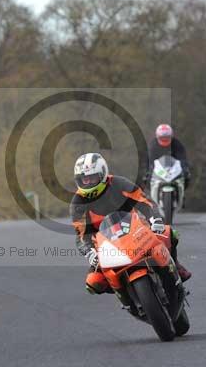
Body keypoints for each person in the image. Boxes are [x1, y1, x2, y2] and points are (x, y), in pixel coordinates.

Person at [70, 152, 191, 298]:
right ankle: (124, 296)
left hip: (133, 228)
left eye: (92, 177)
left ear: (103, 174)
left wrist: (155, 220)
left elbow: (144, 201)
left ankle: (175, 266)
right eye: (84, 179)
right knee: (93, 282)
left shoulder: (119, 183)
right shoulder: (78, 202)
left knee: (167, 233)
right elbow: (81, 234)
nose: (88, 182)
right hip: (104, 242)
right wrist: (89, 252)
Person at [145, 124, 190, 188]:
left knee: (186, 175)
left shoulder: (177, 144)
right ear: (157, 137)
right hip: (158, 171)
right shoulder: (152, 146)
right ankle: (153, 194)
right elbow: (150, 162)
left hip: (173, 170)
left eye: (167, 137)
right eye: (162, 138)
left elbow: (182, 159)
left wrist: (184, 169)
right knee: (147, 177)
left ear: (171, 136)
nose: (164, 139)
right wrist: (149, 171)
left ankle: (180, 193)